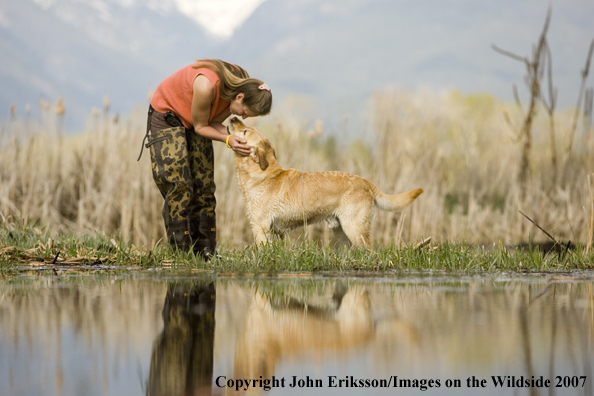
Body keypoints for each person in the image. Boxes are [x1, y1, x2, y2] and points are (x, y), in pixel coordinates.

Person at [140, 59, 272, 260]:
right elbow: (201, 126)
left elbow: (211, 122)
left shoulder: (243, 86)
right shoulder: (206, 86)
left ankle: (206, 254)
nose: (242, 117)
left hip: (197, 120)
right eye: (244, 111)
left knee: (204, 187)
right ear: (240, 96)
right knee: (180, 186)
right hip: (168, 115)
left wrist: (232, 139)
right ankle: (181, 255)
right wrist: (228, 139)